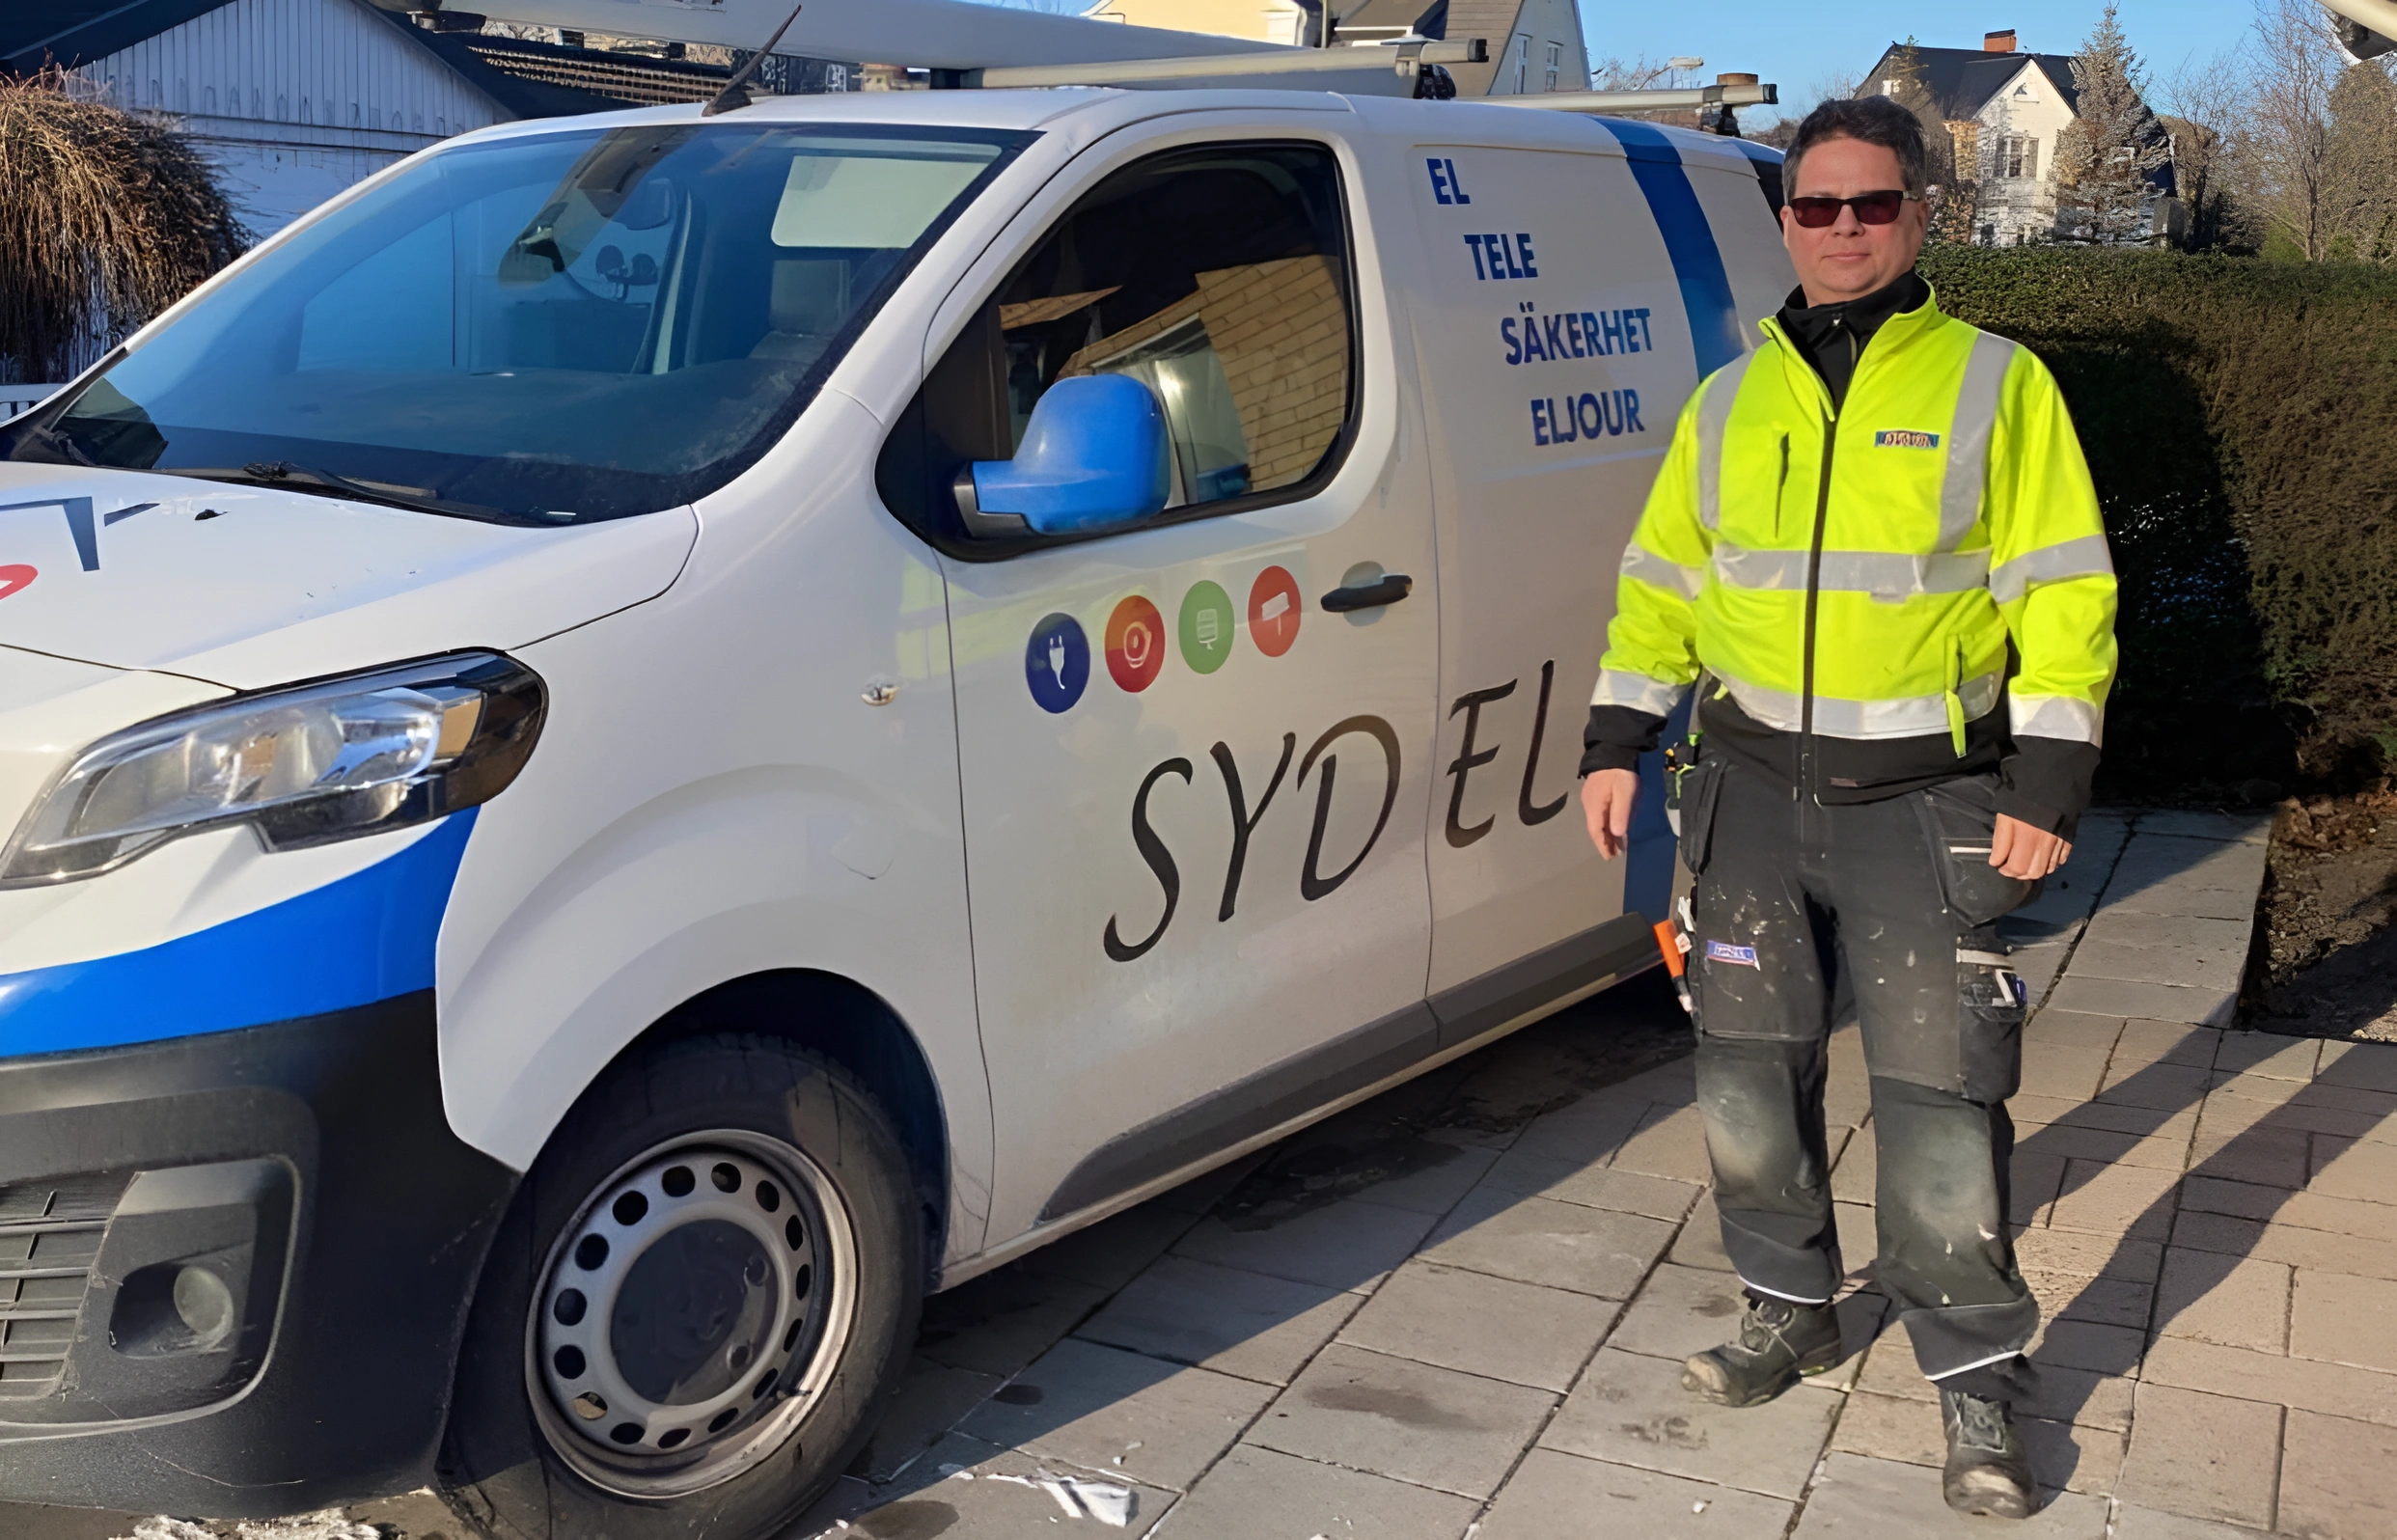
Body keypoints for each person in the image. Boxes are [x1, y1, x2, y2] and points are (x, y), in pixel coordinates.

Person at [1578, 96, 2117, 1521]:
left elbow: (2063, 591)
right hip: (1746, 796)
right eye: (1815, 208)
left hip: (1924, 808)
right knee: (1747, 1078)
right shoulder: (1728, 400)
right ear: (1785, 221)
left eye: (1871, 205)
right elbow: (1664, 586)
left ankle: (1976, 1378)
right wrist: (1619, 735)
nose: (1841, 231)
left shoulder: (1999, 387)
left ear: (1922, 215)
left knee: (1944, 1102)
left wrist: (2050, 780)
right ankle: (1790, 1307)